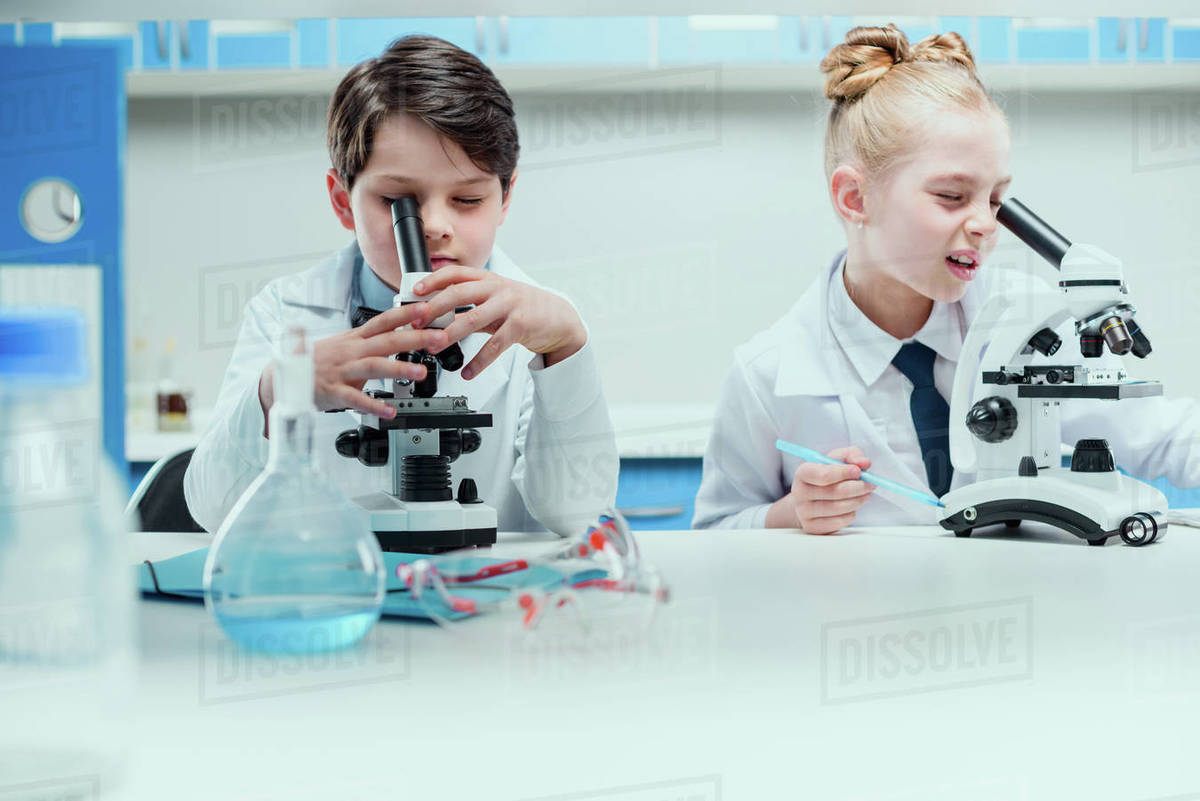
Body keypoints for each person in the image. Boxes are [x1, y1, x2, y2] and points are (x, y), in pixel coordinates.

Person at [693, 23, 1200, 533]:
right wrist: (786, 516)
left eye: (996, 200)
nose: (984, 223)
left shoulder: (1024, 324)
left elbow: (1163, 436)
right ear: (856, 198)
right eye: (953, 197)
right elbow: (713, 534)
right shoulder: (767, 375)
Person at [185, 35, 618, 536]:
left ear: (505, 196)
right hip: (342, 594)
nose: (434, 225)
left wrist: (566, 350)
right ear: (343, 201)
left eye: (468, 200)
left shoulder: (542, 325)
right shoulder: (286, 312)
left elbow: (579, 514)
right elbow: (211, 507)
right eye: (399, 200)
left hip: (478, 601)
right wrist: (280, 390)